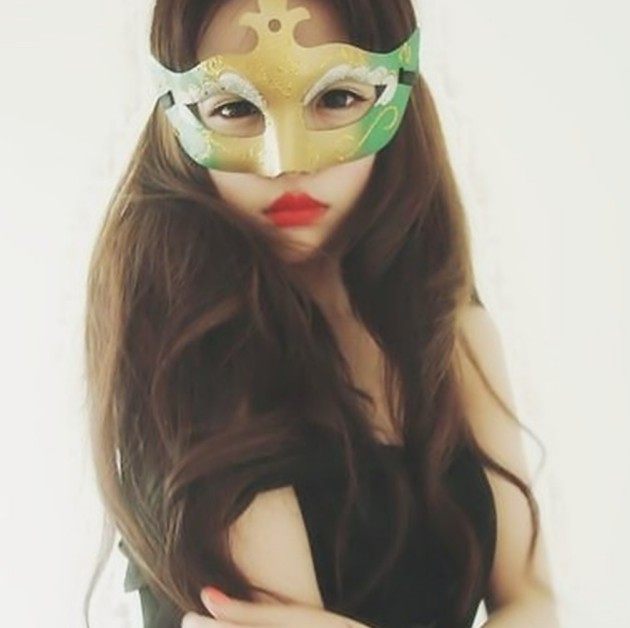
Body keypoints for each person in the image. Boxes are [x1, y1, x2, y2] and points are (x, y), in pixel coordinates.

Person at [83, 0, 560, 627]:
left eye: (336, 98)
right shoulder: (180, 354)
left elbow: (533, 601)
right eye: (234, 108)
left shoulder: (452, 332)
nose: (289, 161)